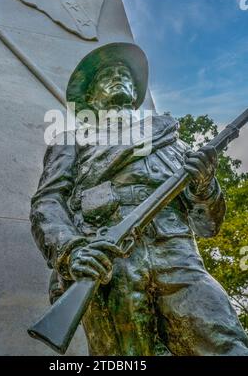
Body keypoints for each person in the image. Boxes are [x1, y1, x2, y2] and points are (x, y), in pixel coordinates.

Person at [30, 42, 248, 356]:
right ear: (91, 97)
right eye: (107, 75)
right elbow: (47, 203)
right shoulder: (72, 141)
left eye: (124, 74)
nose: (118, 77)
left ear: (135, 93)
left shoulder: (170, 141)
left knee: (228, 345)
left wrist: (205, 185)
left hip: (177, 255)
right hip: (109, 260)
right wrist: (71, 251)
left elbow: (207, 224)